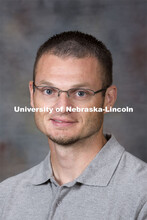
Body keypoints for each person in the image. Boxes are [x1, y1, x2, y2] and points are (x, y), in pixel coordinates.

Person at [0, 31, 147, 220]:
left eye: (80, 93)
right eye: (48, 91)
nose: (62, 107)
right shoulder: (6, 197)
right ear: (32, 95)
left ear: (108, 100)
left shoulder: (141, 196)